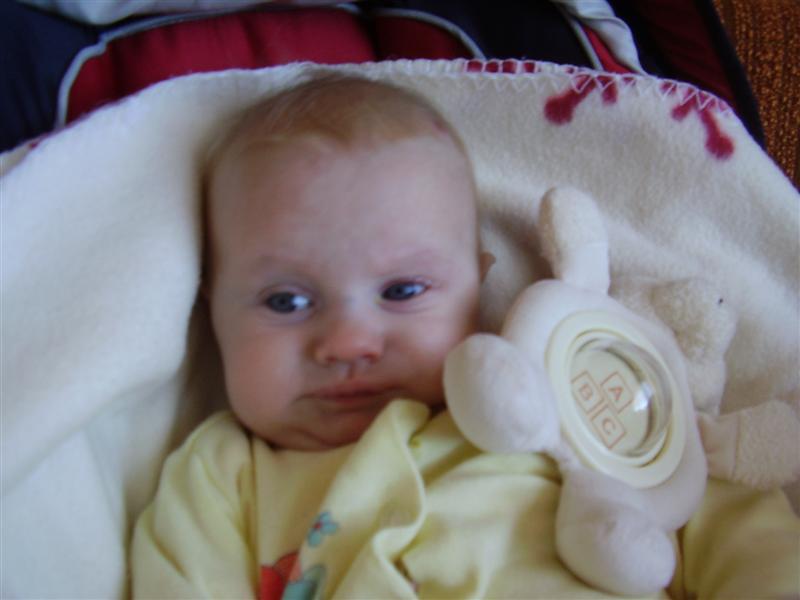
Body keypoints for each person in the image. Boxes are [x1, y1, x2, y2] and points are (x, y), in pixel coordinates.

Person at [131, 75, 799, 599]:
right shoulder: (222, 477)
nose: (350, 342)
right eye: (287, 301)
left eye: (402, 291)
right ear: (211, 309)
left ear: (478, 286)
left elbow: (733, 526)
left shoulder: (560, 392)